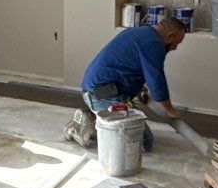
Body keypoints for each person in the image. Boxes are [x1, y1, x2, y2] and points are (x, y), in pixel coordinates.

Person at [67, 16, 186, 150]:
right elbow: (156, 80)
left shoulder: (141, 33)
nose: (175, 47)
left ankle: (92, 119)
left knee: (134, 131)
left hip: (102, 90)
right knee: (143, 143)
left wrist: (140, 89)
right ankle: (84, 128)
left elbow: (127, 67)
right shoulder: (153, 43)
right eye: (177, 42)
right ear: (171, 35)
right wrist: (169, 110)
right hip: (103, 95)